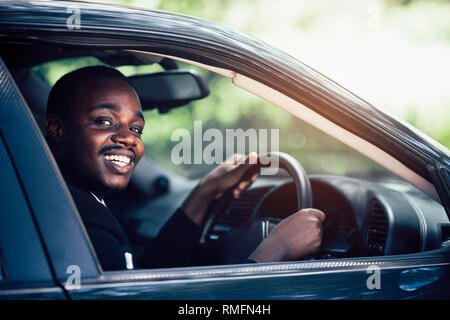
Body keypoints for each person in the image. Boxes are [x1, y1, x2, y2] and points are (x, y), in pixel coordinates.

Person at [45, 66, 326, 271]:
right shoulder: (74, 218)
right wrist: (276, 250)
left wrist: (205, 192)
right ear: (57, 129)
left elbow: (143, 279)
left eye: (136, 128)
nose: (128, 137)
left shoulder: (60, 199)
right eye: (104, 121)